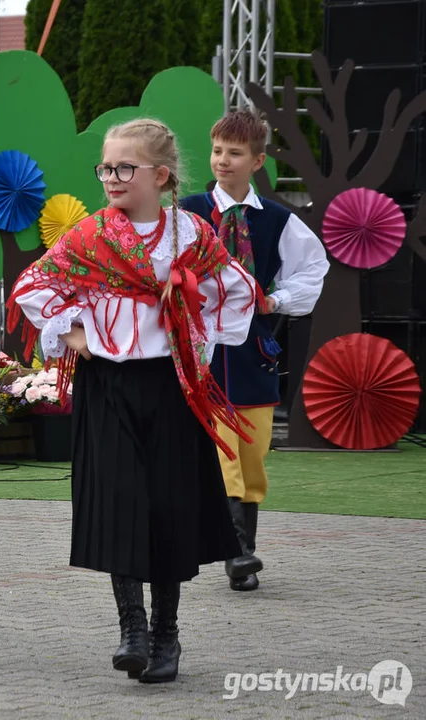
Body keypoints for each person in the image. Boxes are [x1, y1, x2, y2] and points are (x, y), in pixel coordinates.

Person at [8, 119, 257, 684]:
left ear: (160, 175)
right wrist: (74, 333)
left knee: (168, 509)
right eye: (106, 167)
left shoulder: (190, 233)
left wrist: (190, 312)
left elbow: (233, 286)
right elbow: (35, 286)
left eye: (125, 167)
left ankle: (167, 634)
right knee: (122, 502)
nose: (112, 177)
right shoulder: (92, 235)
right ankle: (132, 629)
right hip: (109, 388)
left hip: (173, 387)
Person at [180, 109, 329, 593]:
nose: (223, 160)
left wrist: (276, 298)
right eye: (218, 150)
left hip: (254, 350)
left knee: (251, 455)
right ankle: (239, 552)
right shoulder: (188, 211)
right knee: (222, 450)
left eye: (235, 153)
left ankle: (241, 549)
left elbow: (312, 270)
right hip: (202, 349)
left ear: (257, 160)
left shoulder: (279, 220)